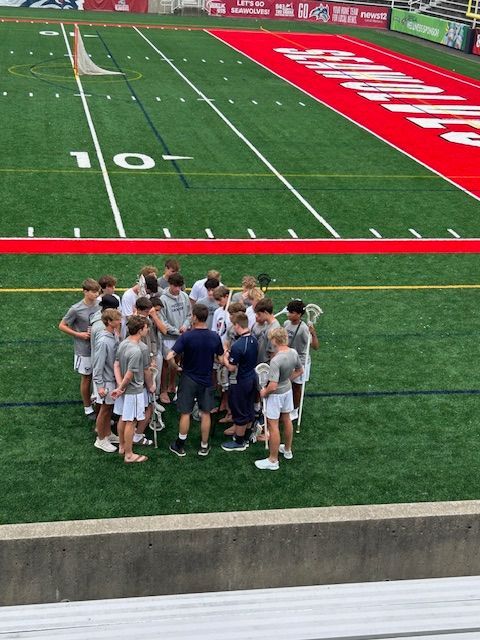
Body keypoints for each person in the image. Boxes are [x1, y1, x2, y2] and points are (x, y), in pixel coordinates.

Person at [167, 304, 224, 458]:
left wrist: (175, 367)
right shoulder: (214, 337)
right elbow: (220, 359)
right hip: (206, 379)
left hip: (188, 379)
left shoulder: (186, 336)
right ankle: (204, 446)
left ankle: (180, 445)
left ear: (194, 317)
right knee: (206, 413)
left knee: (185, 413)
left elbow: (170, 356)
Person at [255, 327, 303, 471]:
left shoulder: (276, 360)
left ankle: (273, 459)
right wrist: (287, 380)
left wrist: (264, 392)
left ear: (275, 340)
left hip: (276, 395)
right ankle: (287, 450)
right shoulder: (293, 352)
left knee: (273, 425)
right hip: (287, 390)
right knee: (287, 419)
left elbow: (273, 385)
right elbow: (300, 370)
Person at [112, 316, 154, 464]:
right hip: (134, 390)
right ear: (140, 329)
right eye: (146, 327)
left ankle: (122, 446)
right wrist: (122, 387)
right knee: (131, 421)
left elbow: (116, 364)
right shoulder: (138, 350)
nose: (148, 329)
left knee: (123, 418)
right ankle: (129, 455)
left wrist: (119, 387)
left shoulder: (123, 343)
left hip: (124, 390)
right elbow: (131, 374)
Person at [58, 278, 101, 421]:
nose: (96, 294)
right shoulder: (76, 309)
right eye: (93, 292)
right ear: (85, 292)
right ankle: (87, 407)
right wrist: (79, 334)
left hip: (97, 347)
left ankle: (96, 400)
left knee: (98, 375)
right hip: (84, 350)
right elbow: (62, 325)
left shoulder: (100, 304)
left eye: (97, 291)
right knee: (86, 378)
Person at [221, 312, 258, 452]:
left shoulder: (238, 345)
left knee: (239, 410)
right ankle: (247, 435)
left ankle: (239, 441)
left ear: (237, 325)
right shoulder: (254, 339)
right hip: (251, 378)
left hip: (240, 381)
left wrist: (225, 354)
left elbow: (231, 367)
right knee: (248, 408)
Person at [92, 308, 122, 453]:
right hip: (105, 382)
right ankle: (100, 439)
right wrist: (100, 386)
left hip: (111, 379)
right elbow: (97, 364)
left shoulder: (113, 334)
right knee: (104, 411)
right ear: (109, 322)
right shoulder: (104, 341)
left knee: (109, 410)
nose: (119, 321)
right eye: (117, 319)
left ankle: (108, 434)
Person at [159, 273, 191, 404]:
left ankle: (172, 385)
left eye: (180, 286)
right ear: (170, 285)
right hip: (168, 337)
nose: (178, 289)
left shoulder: (184, 296)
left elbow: (189, 315)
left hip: (181, 336)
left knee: (177, 361)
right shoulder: (163, 299)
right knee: (166, 364)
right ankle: (163, 390)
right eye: (175, 286)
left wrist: (185, 325)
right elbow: (162, 321)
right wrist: (176, 330)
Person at [284, 300, 319, 418]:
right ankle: (288, 406)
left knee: (297, 387)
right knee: (288, 384)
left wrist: (313, 334)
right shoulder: (286, 324)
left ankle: (295, 410)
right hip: (289, 359)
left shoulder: (304, 329)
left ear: (299, 314)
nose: (288, 314)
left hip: (301, 362)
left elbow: (315, 346)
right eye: (288, 311)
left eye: (291, 312)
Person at [252, 298, 280, 364]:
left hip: (266, 366)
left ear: (265, 312)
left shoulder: (274, 329)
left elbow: (273, 353)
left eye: (259, 314)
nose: (257, 316)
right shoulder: (266, 323)